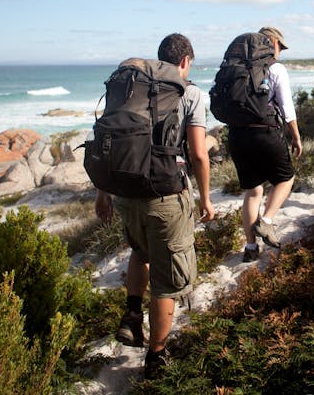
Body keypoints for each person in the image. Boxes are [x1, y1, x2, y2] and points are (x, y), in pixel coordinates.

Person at [95, 33, 215, 381]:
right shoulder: (189, 92)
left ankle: (133, 316)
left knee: (140, 251)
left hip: (125, 192)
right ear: (185, 62)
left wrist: (102, 193)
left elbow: (107, 140)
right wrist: (205, 198)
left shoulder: (132, 89)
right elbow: (197, 154)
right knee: (167, 282)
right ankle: (157, 356)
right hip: (165, 195)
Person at [226, 26, 303, 263]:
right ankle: (266, 222)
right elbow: (287, 109)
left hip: (237, 136)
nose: (280, 52)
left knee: (253, 190)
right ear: (271, 43)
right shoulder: (275, 68)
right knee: (286, 178)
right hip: (265, 132)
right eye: (280, 46)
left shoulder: (236, 67)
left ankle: (250, 248)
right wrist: (296, 137)